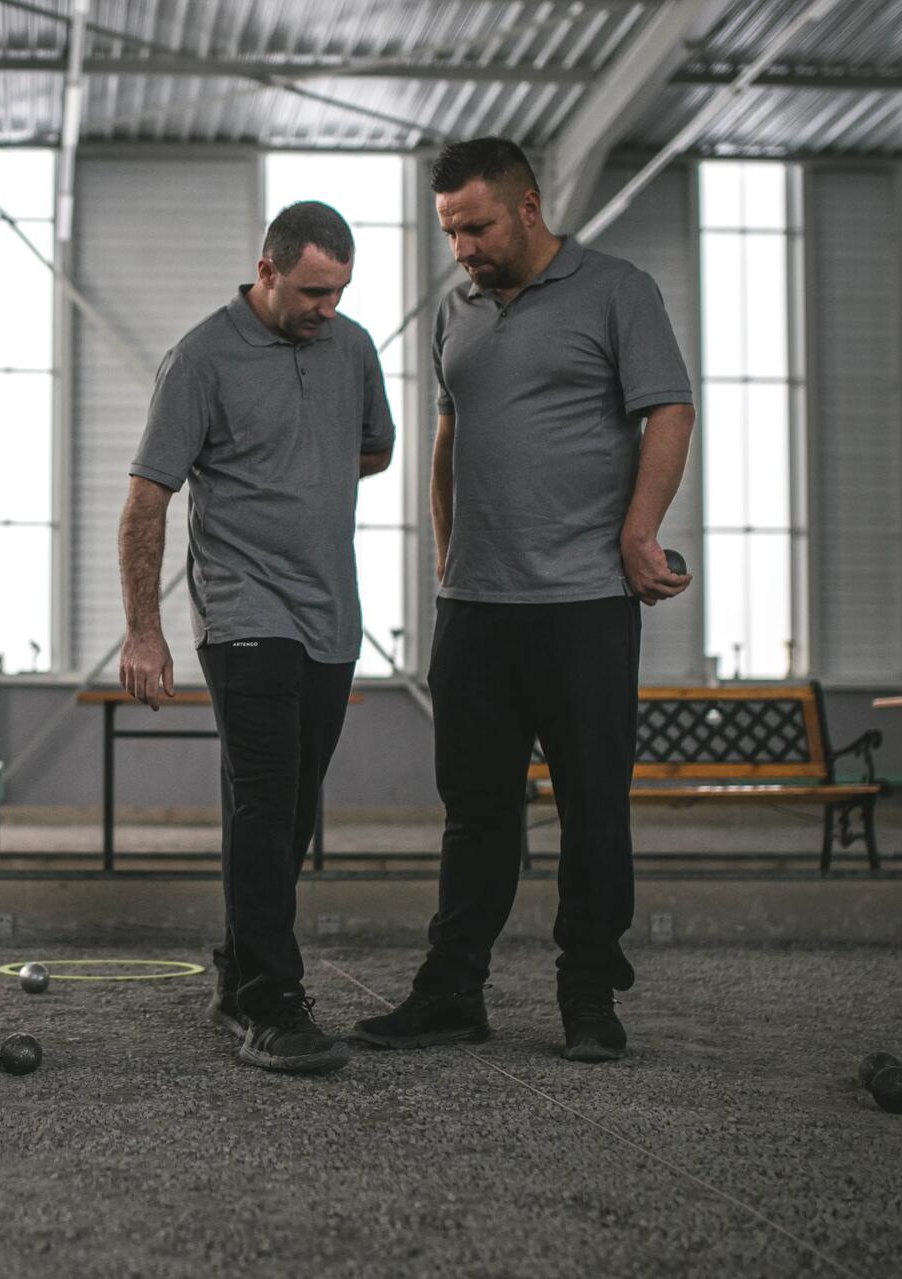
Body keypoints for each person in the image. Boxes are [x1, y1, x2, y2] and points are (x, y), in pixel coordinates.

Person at [353, 137, 694, 1063]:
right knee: (474, 808)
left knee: (593, 805)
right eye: (450, 231)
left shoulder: (617, 291)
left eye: (476, 226)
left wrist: (637, 533)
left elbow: (671, 409)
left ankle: (588, 993)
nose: (461, 246)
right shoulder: (455, 315)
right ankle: (453, 988)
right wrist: (445, 553)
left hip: (582, 601)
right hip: (475, 608)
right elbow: (447, 438)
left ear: (530, 206)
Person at [118, 202, 395, 1074]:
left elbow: (375, 450)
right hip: (244, 613)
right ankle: (270, 1003)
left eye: (342, 291)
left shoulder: (350, 348)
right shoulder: (202, 358)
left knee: (290, 808)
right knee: (267, 798)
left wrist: (296, 473)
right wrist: (143, 631)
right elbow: (146, 498)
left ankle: (240, 963)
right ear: (267, 270)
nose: (329, 306)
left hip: (330, 616)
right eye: (314, 290)